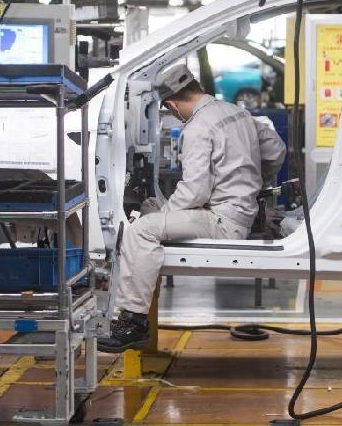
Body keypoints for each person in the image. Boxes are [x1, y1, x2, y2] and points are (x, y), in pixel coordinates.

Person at [98, 64, 286, 353]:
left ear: (172, 105)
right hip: (242, 212)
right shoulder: (236, 112)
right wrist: (252, 183)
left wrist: (164, 215)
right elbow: (276, 150)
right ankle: (134, 311)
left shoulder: (197, 127)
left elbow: (195, 191)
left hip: (222, 220)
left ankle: (133, 322)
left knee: (141, 231)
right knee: (151, 207)